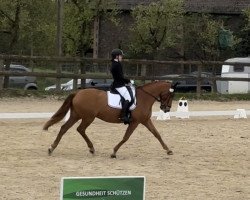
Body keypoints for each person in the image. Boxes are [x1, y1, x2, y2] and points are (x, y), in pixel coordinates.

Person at [110, 49, 132, 125]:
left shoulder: (115, 63)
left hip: (118, 84)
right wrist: (128, 81)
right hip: (118, 85)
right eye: (120, 56)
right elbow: (119, 77)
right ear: (116, 56)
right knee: (128, 98)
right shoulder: (117, 65)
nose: (121, 57)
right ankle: (124, 116)